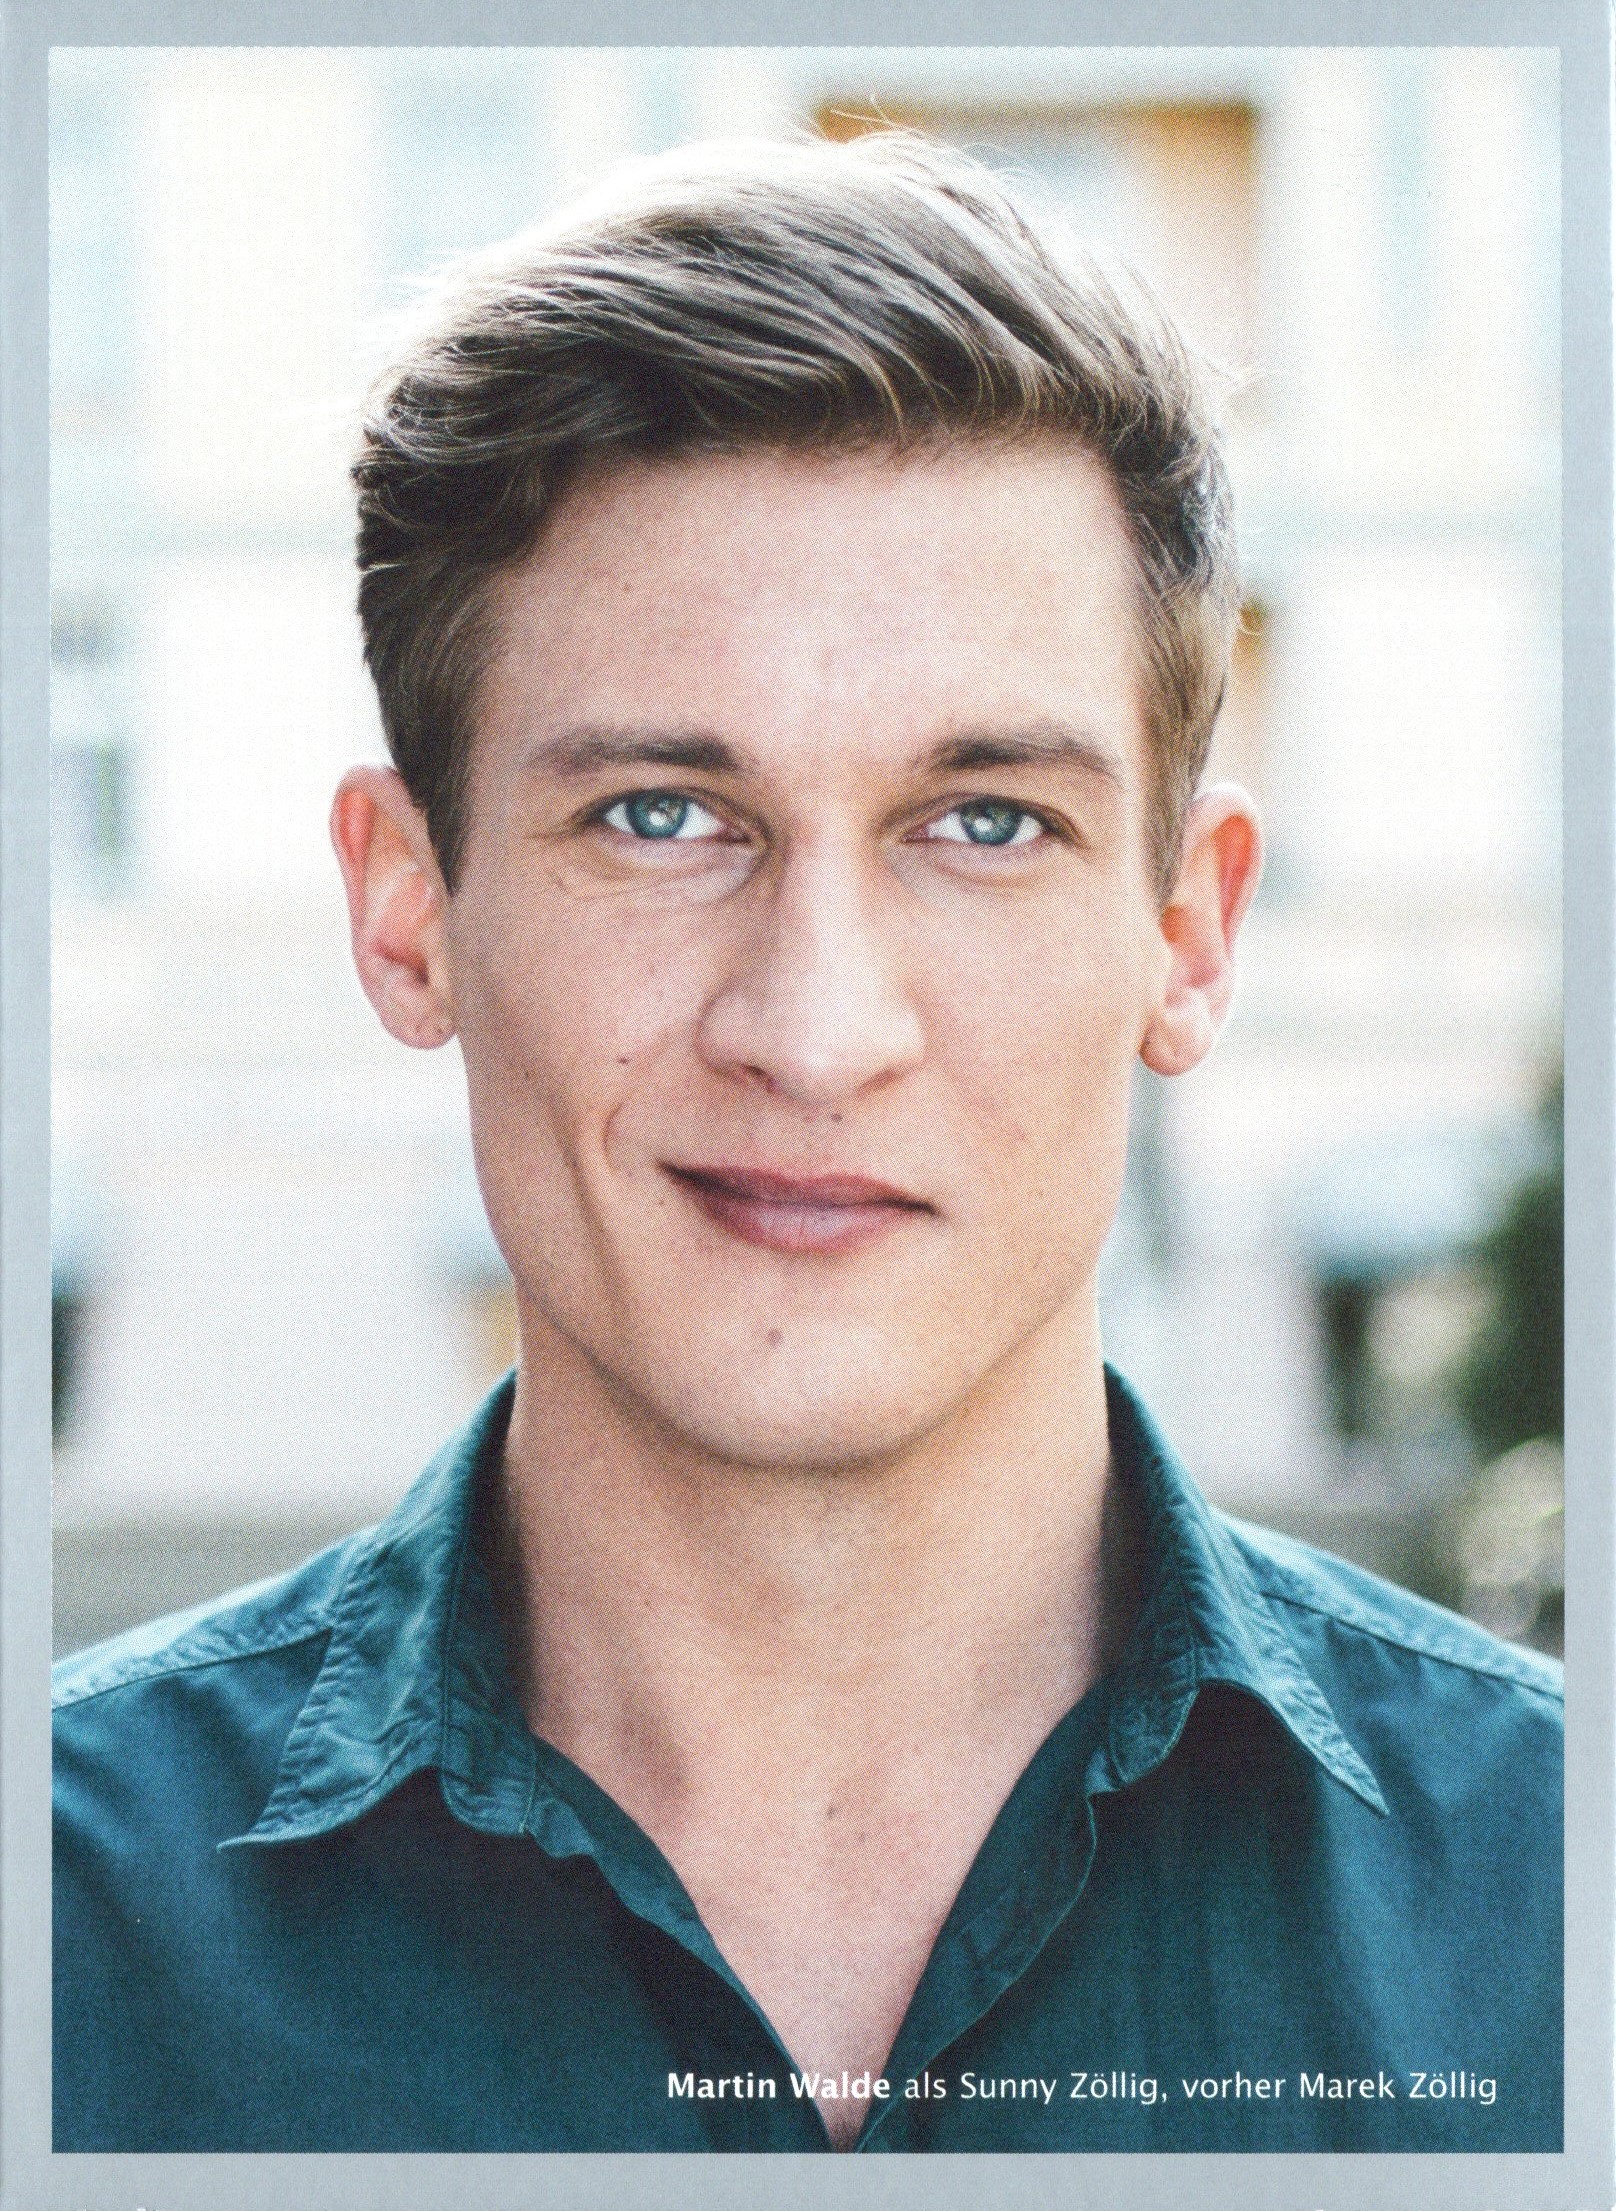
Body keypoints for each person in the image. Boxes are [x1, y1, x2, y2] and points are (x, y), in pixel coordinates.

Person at [53, 130, 1561, 2155]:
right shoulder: (59, 1936)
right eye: (662, 816)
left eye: (986, 822)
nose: (818, 1027)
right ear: (410, 908)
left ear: (1190, 933)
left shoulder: (1557, 1917)